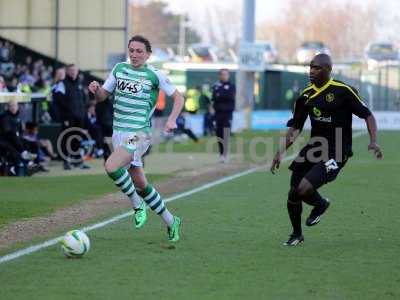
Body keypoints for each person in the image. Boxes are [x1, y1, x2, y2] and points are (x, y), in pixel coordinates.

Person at [270, 54, 383, 246]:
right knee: (293, 193)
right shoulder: (306, 95)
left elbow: (368, 115)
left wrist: (373, 141)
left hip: (338, 150)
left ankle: (320, 204)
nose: (311, 71)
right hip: (315, 147)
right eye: (310, 67)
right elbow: (296, 126)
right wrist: (280, 151)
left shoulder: (343, 91)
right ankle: (297, 234)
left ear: (328, 70)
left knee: (305, 189)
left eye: (316, 68)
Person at [88, 35, 184, 242]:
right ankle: (171, 220)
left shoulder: (155, 75)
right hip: (119, 133)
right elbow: (103, 96)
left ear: (148, 54)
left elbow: (179, 97)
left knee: (111, 166)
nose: (134, 54)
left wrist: (172, 120)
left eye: (139, 51)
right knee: (141, 184)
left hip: (139, 133)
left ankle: (136, 204)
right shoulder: (119, 69)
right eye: (131, 50)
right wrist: (96, 91)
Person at [53, 64, 88, 170]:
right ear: (67, 72)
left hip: (79, 116)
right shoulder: (62, 84)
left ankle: (77, 160)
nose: (73, 72)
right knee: (67, 137)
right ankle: (66, 161)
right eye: (71, 70)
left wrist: (82, 112)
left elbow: (84, 99)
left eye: (75, 70)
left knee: (77, 138)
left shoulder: (80, 84)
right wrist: (66, 114)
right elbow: (58, 100)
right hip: (68, 117)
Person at [211, 68, 235, 163]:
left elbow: (229, 96)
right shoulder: (216, 86)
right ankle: (221, 154)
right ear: (219, 75)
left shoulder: (232, 86)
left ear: (228, 75)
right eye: (222, 74)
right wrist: (220, 95)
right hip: (218, 114)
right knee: (218, 134)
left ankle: (225, 154)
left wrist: (220, 95)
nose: (224, 76)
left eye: (226, 74)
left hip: (227, 114)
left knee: (226, 133)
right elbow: (214, 98)